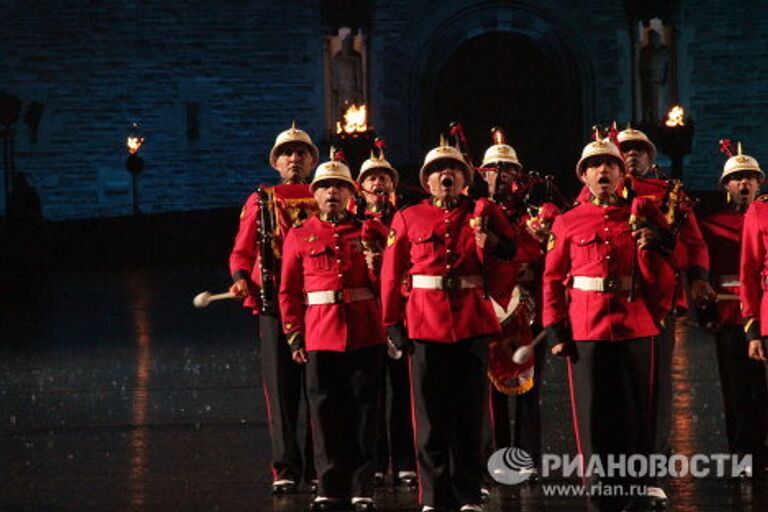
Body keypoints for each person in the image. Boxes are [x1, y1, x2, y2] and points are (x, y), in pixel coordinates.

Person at [381, 137, 519, 512]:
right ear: (427, 182)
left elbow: (513, 250)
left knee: (470, 415)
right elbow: (391, 276)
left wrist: (488, 239)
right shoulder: (408, 218)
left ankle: (468, 493)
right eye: (439, 171)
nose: (447, 175)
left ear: (465, 179)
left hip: (471, 323)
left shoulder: (481, 211)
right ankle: (434, 495)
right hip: (425, 324)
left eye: (454, 170)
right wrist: (392, 322)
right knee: (429, 417)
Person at [544, 137, 676, 512]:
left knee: (637, 415)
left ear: (622, 173)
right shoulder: (567, 222)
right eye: (595, 165)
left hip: (637, 324)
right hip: (587, 328)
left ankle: (637, 492)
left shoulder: (642, 214)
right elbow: (552, 279)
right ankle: (601, 497)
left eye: (610, 165)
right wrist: (556, 328)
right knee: (594, 418)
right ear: (584, 175)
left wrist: (658, 240)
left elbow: (665, 269)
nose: (603, 171)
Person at [280, 153, 385, 511]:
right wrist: (294, 334)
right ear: (315, 194)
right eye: (325, 187)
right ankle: (329, 485)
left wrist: (377, 265)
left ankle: (362, 487)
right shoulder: (300, 235)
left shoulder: (371, 230)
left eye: (339, 187)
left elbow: (388, 285)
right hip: (321, 333)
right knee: (325, 415)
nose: (332, 194)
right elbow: (290, 291)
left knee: (365, 413)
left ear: (351, 192)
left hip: (365, 331)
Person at [616, 126, 712, 508]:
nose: (632, 156)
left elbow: (694, 243)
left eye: (639, 150)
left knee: (654, 391)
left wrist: (698, 276)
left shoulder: (668, 194)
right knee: (615, 391)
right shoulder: (597, 194)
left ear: (650, 156)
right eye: (626, 150)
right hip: (611, 306)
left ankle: (651, 473)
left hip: (655, 304)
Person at [229, 122, 319, 494]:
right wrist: (239, 276)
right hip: (274, 303)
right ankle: (285, 466)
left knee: (319, 386)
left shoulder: (327, 194)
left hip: (318, 304)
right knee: (281, 389)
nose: (293, 158)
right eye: (287, 153)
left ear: (312, 160)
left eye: (300, 153)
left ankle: (318, 464)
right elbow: (242, 249)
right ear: (276, 163)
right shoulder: (262, 200)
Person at [477, 129, 548, 482]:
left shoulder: (534, 216)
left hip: (527, 310)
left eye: (506, 169)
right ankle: (494, 461)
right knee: (488, 396)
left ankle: (527, 461)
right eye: (492, 169)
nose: (499, 175)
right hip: (484, 310)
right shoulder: (472, 212)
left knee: (528, 392)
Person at [701, 145, 767, 477]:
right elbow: (701, 272)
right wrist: (705, 311)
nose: (744, 184)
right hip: (729, 317)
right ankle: (743, 456)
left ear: (760, 184)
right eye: (737, 178)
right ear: (726, 186)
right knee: (737, 391)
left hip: (764, 315)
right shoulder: (712, 224)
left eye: (750, 178)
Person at [355, 148, 418, 489]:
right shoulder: (353, 224)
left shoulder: (406, 219)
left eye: (384, 178)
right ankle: (376, 462)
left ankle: (406, 461)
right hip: (366, 317)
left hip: (403, 314)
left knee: (404, 391)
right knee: (372, 394)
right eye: (371, 178)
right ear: (360, 186)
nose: (378, 183)